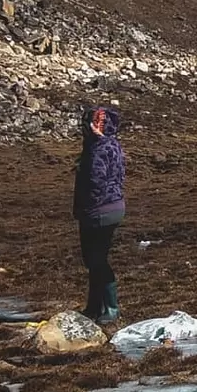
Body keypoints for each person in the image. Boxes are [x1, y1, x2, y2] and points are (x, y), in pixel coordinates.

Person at [73, 105, 126, 323]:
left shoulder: (96, 151)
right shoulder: (114, 146)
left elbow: (95, 181)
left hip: (98, 211)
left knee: (96, 260)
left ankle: (110, 308)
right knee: (96, 259)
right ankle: (95, 307)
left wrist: (86, 207)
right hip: (114, 207)